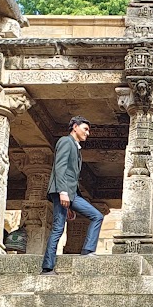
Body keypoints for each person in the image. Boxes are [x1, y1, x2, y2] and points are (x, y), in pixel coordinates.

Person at [42, 116, 103, 273]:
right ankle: (47, 268)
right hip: (63, 191)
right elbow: (60, 167)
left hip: (71, 194)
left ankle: (88, 250)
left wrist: (69, 201)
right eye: (85, 129)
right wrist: (63, 192)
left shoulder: (75, 147)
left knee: (96, 216)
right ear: (75, 127)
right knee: (58, 228)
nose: (87, 133)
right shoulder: (65, 141)